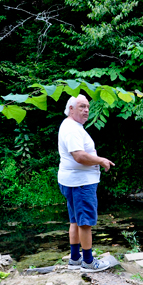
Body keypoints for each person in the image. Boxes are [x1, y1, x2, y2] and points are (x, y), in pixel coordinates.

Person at [58, 94, 115, 272]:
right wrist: (101, 161)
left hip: (73, 181)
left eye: (88, 107)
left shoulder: (71, 126)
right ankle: (89, 262)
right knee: (85, 222)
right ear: (71, 108)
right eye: (82, 106)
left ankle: (75, 259)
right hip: (80, 183)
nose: (86, 110)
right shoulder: (72, 128)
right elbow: (79, 156)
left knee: (75, 220)